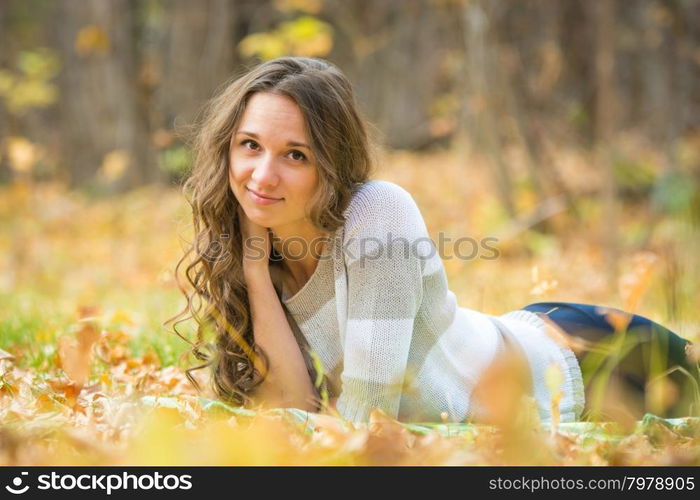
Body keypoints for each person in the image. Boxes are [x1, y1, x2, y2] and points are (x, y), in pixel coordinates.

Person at [169, 56, 699, 424]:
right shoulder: (256, 247)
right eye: (250, 145)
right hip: (522, 335)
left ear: (330, 165)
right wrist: (257, 275)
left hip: (589, 360)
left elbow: (370, 413)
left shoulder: (377, 212)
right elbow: (289, 408)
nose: (262, 176)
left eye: (295, 155)